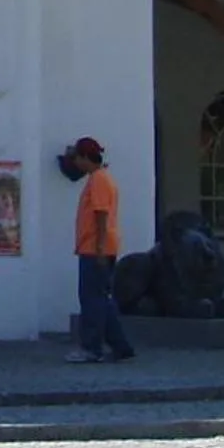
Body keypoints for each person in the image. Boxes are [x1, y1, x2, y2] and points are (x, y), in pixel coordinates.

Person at [65, 137, 135, 364]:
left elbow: (101, 213)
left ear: (86, 157)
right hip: (98, 247)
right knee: (102, 299)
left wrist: (100, 248)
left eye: (76, 158)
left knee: (91, 299)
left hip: (95, 249)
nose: (75, 163)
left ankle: (92, 348)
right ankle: (120, 345)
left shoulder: (98, 180)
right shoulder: (101, 178)